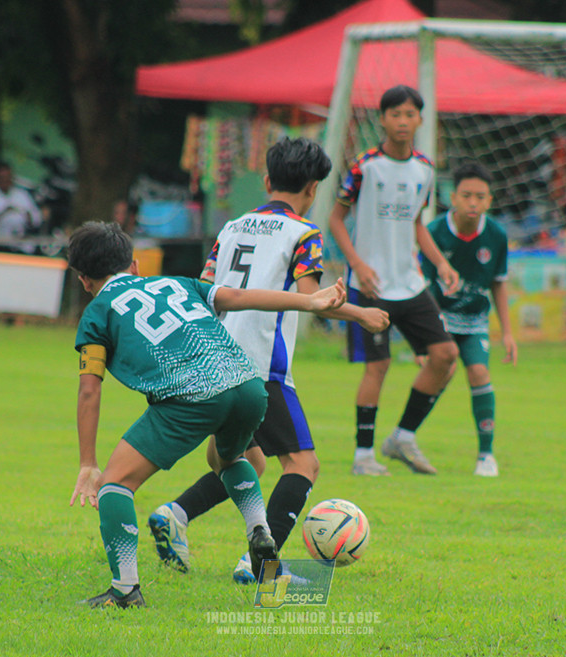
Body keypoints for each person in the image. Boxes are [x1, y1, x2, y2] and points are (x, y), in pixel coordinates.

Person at [66, 221, 349, 608]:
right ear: (134, 265)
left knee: (114, 485)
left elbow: (88, 388)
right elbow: (239, 296)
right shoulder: (178, 283)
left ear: (84, 281)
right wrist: (310, 301)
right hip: (248, 385)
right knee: (227, 457)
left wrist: (87, 463)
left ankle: (125, 589)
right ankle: (259, 530)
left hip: (193, 396)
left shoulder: (97, 313)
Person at [145, 137, 389, 583]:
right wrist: (361, 313)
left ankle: (175, 513)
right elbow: (311, 299)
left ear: (266, 180)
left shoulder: (233, 227)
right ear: (314, 189)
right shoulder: (303, 233)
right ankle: (260, 565)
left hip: (211, 361)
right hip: (261, 367)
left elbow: (205, 290)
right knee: (303, 465)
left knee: (245, 462)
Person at [329, 84, 460, 477]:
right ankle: (363, 456)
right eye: (395, 114)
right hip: (370, 286)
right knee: (379, 366)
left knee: (445, 355)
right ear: (383, 119)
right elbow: (336, 218)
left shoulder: (424, 169)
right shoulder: (364, 166)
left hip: (411, 283)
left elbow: (416, 222)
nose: (403, 121)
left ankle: (402, 436)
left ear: (420, 119)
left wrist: (440, 263)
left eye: (410, 114)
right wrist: (357, 265)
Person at [421, 162, 517, 478]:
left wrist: (508, 333)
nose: (473, 202)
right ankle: (406, 437)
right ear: (453, 197)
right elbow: (421, 285)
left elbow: (499, 283)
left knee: (478, 370)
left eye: (480, 196)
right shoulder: (434, 232)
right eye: (466, 195)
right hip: (440, 320)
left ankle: (486, 456)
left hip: (475, 321)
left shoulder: (496, 235)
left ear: (490, 200)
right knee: (441, 374)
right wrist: (421, 335)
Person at [0, 161, 42, 238]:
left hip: (21, 242)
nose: (6, 181)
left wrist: (28, 216)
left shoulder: (22, 195)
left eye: (8, 177)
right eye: (2, 178)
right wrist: (2, 214)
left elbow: (37, 219)